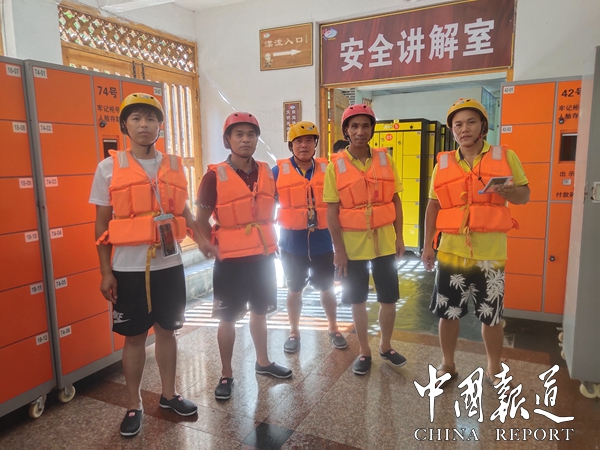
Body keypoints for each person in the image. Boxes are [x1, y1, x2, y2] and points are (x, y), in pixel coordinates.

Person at [91, 93, 216, 437]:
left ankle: (169, 395)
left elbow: (183, 210)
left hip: (169, 265)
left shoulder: (173, 165)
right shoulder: (108, 168)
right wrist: (105, 272)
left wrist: (200, 239)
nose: (143, 125)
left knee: (167, 331)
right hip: (128, 269)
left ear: (160, 125)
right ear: (125, 126)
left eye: (150, 118)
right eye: (136, 118)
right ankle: (134, 404)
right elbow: (101, 224)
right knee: (133, 338)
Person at [421, 98, 530, 388]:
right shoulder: (443, 163)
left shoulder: (505, 156)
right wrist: (428, 245)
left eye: (471, 122)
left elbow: (525, 195)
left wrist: (510, 192)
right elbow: (433, 205)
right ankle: (448, 364)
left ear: (483, 125)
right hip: (451, 250)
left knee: (491, 317)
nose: (464, 129)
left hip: (490, 253)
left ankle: (494, 368)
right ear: (452, 130)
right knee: (448, 313)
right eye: (458, 124)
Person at [195, 112, 292, 401]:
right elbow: (200, 220)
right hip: (230, 261)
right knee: (227, 318)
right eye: (239, 134)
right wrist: (209, 244)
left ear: (257, 139)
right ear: (228, 140)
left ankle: (263, 362)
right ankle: (226, 373)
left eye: (251, 134)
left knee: (260, 312)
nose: (246, 139)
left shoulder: (266, 172)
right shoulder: (213, 176)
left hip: (262, 258)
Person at [324, 104, 407, 376]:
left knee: (389, 299)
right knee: (357, 300)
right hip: (352, 246)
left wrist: (400, 237)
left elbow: (395, 200)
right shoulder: (335, 167)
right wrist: (338, 250)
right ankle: (364, 350)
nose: (360, 131)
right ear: (346, 131)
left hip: (384, 243)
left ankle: (385, 345)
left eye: (365, 126)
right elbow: (332, 212)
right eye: (354, 126)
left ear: (372, 129)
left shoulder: (386, 160)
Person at [273, 121, 346, 354]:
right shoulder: (277, 172)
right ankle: (294, 332)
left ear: (315, 144)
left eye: (308, 141)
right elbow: (265, 207)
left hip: (322, 242)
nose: (303, 145)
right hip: (291, 244)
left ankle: (333, 328)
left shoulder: (329, 169)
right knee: (294, 289)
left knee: (327, 288)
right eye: (298, 141)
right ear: (291, 145)